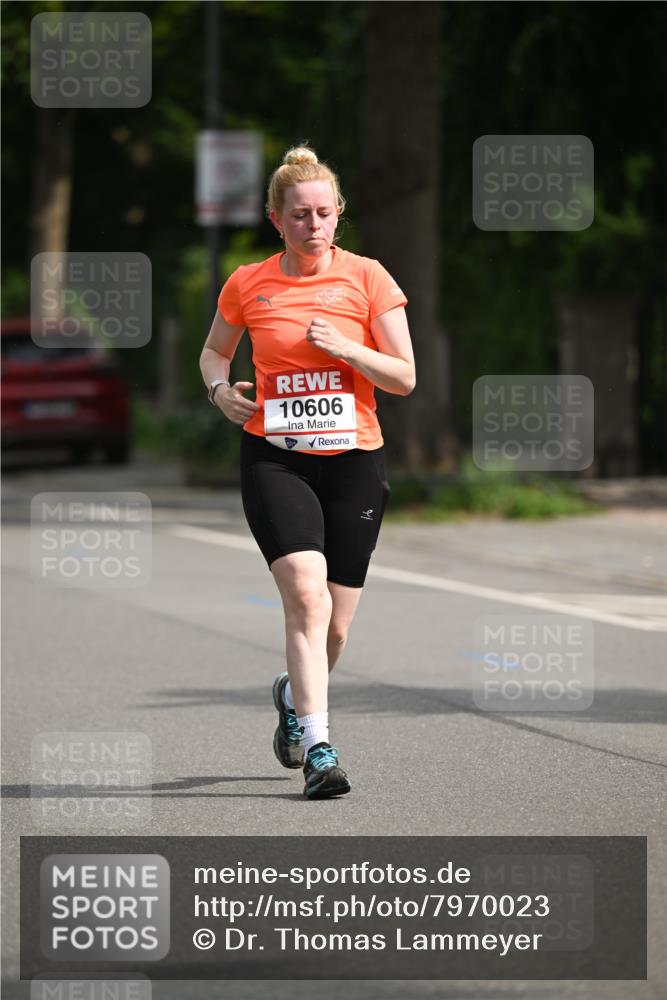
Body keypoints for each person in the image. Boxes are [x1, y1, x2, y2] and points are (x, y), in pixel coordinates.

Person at [199, 145, 415, 799]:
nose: (312, 225)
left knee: (337, 627)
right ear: (276, 218)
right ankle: (321, 749)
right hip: (276, 457)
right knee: (306, 596)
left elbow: (404, 377)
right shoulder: (248, 282)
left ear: (338, 215)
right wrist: (221, 394)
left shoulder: (368, 279)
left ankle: (293, 697)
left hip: (354, 460)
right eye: (299, 215)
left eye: (323, 213)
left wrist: (348, 346)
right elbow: (213, 352)